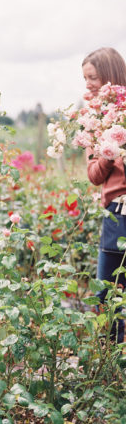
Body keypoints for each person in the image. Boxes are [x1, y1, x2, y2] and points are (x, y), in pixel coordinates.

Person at [83, 47, 126, 343]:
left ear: (111, 76)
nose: (88, 84)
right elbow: (94, 175)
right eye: (84, 78)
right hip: (115, 213)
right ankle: (108, 355)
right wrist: (109, 153)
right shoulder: (93, 119)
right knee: (106, 290)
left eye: (93, 77)